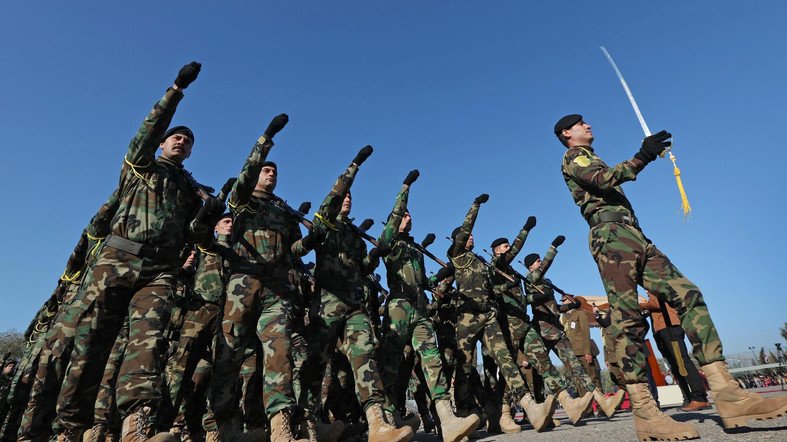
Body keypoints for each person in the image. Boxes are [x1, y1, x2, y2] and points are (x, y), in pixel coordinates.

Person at [555, 114, 787, 439]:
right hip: (610, 236)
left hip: (633, 234)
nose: (589, 125)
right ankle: (646, 414)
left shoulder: (589, 154)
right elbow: (604, 179)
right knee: (628, 318)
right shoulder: (573, 156)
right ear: (567, 133)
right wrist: (643, 156)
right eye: (580, 124)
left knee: (688, 294)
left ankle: (727, 393)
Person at [54, 61, 225, 442]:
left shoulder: (189, 189)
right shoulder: (140, 165)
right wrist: (176, 91)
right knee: (90, 342)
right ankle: (71, 428)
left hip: (160, 270)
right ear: (163, 143)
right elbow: (146, 131)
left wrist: (208, 217)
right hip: (117, 260)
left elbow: (193, 235)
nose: (181, 141)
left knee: (149, 339)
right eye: (175, 137)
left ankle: (137, 422)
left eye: (188, 140)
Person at [376, 170, 480, 442]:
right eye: (404, 215)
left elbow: (424, 282)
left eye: (410, 215)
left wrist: (443, 275)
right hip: (398, 306)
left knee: (432, 359)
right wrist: (405, 188)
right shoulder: (388, 243)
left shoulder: (413, 249)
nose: (408, 218)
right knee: (391, 363)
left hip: (419, 307)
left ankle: (447, 418)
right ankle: (387, 419)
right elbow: (393, 221)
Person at [446, 194, 556, 432]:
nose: (471, 237)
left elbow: (510, 254)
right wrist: (474, 206)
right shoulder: (457, 257)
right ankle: (463, 413)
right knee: (465, 366)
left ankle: (530, 407)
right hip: (467, 318)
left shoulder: (484, 263)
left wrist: (524, 231)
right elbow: (465, 230)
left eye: (473, 236)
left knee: (506, 359)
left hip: (489, 316)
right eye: (467, 237)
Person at [524, 248, 622, 420]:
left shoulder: (545, 282)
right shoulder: (531, 280)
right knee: (539, 370)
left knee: (576, 366)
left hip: (555, 329)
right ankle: (541, 408)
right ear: (530, 266)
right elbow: (542, 303)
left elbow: (555, 308)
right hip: (542, 330)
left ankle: (602, 401)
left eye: (541, 260)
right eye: (537, 261)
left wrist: (571, 306)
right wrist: (552, 250)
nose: (540, 263)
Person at [640, 292, 711, 412]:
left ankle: (700, 397)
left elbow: (656, 304)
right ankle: (688, 397)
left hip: (669, 328)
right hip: (661, 329)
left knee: (682, 361)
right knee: (675, 365)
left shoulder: (655, 286)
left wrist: (642, 305)